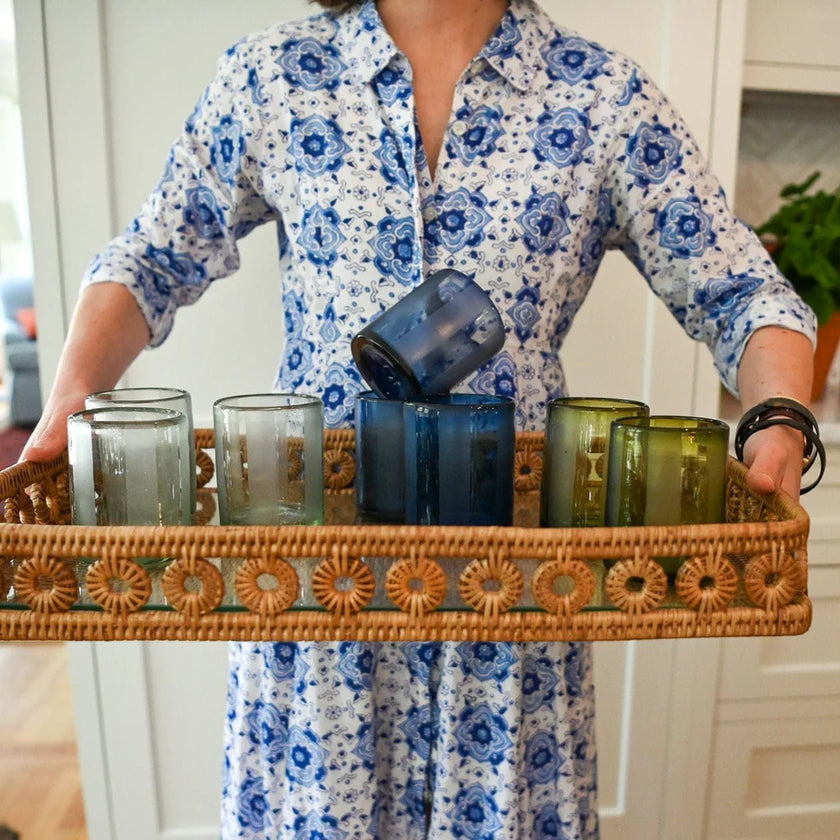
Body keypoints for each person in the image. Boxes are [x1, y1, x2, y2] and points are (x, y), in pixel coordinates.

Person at [23, 0, 816, 837]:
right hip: (315, 579)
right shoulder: (272, 76)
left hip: (509, 594)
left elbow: (742, 291)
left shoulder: (605, 97)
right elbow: (152, 254)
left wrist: (777, 418)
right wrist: (73, 389)